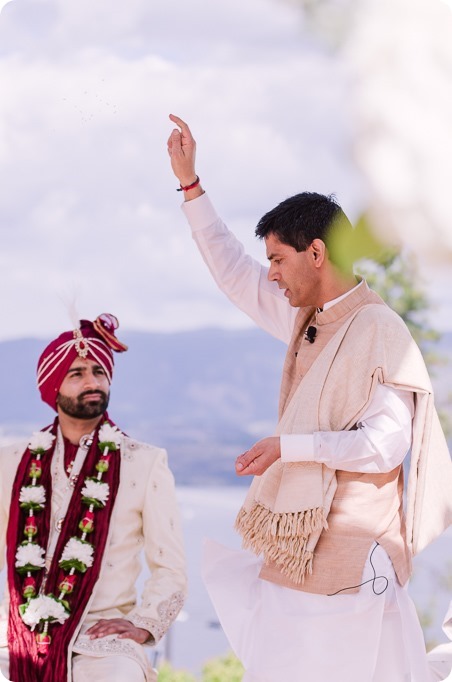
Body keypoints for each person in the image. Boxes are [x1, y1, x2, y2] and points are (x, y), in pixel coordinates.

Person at [167, 114, 452, 682]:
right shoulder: (308, 320)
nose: (270, 274)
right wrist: (190, 187)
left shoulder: (378, 331)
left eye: (278, 259)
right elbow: (233, 272)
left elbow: (384, 448)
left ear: (316, 253)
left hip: (355, 561)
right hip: (300, 555)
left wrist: (289, 447)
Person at [0, 313, 187, 682]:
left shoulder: (144, 462)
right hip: (16, 637)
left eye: (99, 372)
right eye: (77, 373)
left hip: (100, 640)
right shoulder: (11, 462)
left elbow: (170, 567)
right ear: (53, 387)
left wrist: (143, 625)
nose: (92, 381)